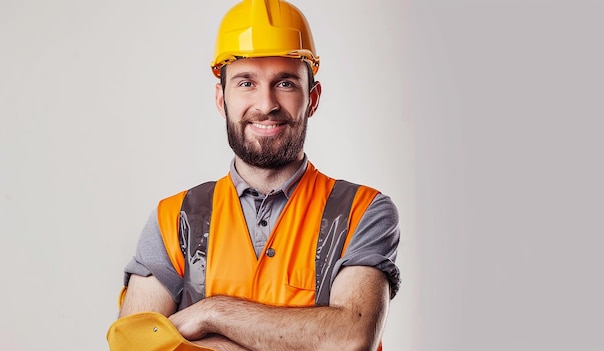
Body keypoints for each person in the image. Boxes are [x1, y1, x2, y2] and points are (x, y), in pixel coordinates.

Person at [107, 0, 401, 350]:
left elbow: (350, 337)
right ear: (221, 98)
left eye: (286, 83)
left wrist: (213, 313)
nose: (266, 104)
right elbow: (132, 342)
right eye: (246, 83)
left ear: (313, 98)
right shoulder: (174, 219)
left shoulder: (363, 212)